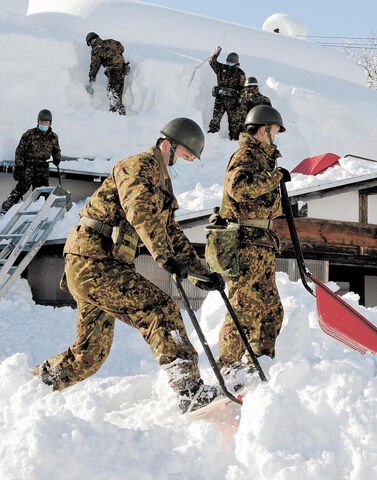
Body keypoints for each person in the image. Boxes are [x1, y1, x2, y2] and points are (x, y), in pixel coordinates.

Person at [32, 117, 224, 414]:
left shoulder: (162, 184)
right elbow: (139, 211)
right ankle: (189, 391)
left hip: (99, 265)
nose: (185, 164)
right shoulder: (136, 167)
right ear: (167, 145)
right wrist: (163, 256)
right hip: (93, 260)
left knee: (88, 356)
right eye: (185, 156)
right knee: (160, 308)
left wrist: (200, 274)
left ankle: (31, 387)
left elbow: (170, 231)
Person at [214, 105, 291, 387]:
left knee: (271, 311)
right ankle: (228, 370)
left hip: (261, 245)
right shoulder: (246, 155)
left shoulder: (262, 158)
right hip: (246, 244)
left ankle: (258, 364)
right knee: (243, 310)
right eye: (274, 132)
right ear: (262, 130)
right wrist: (275, 177)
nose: (275, 137)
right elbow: (238, 188)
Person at [1, 109, 61, 214]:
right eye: (41, 122)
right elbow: (19, 151)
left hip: (42, 167)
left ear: (50, 123)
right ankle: (6, 209)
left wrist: (57, 158)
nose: (43, 124)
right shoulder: (29, 134)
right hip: (28, 166)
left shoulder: (53, 137)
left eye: (46, 122)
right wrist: (19, 166)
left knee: (42, 191)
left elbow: (56, 150)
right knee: (22, 187)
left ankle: (39, 212)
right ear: (37, 122)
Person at [85, 32, 130, 116]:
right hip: (123, 69)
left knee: (113, 94)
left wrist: (92, 77)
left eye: (89, 43)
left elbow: (95, 65)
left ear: (92, 40)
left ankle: (117, 116)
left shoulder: (96, 50)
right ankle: (119, 116)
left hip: (114, 71)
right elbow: (121, 48)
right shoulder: (110, 41)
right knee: (117, 94)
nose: (90, 45)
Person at [207, 46, 245, 140]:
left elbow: (242, 89)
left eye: (231, 62)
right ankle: (212, 137)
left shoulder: (240, 73)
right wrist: (216, 53)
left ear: (236, 62)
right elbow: (211, 61)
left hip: (232, 101)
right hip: (220, 98)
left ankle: (234, 139)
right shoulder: (221, 68)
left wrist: (239, 102)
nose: (229, 63)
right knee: (215, 119)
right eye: (228, 61)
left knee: (234, 122)